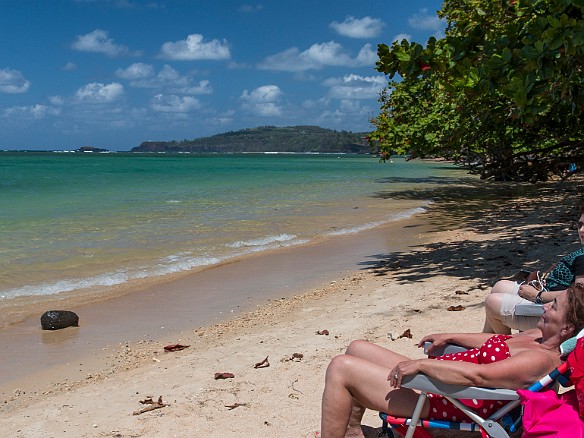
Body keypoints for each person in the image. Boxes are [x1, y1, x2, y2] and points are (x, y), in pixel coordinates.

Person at [320, 283, 584, 438]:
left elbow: (478, 377)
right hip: (444, 381)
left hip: (448, 399)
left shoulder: (539, 359)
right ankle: (352, 431)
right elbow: (494, 343)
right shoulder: (538, 335)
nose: (546, 306)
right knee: (357, 348)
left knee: (340, 368)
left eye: (554, 307)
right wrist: (448, 336)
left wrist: (423, 365)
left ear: (567, 329)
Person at [483, 204, 584, 334]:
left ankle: (504, 346)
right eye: (580, 225)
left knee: (492, 302)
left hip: (563, 317)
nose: (581, 230)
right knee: (500, 286)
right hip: (554, 299)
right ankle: (485, 339)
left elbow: (579, 296)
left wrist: (537, 295)